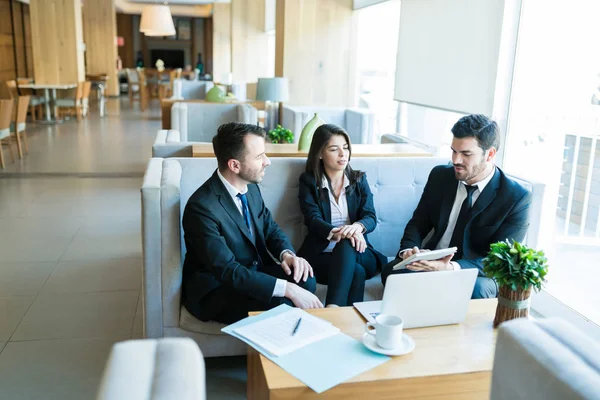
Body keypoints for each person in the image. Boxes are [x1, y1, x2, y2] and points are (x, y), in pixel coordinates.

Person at [182, 122, 323, 324]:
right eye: (259, 157)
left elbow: (269, 228)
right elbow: (228, 270)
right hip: (218, 288)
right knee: (284, 302)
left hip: (251, 269)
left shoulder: (251, 187)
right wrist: (287, 288)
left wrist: (287, 254)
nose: (267, 162)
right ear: (234, 165)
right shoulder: (202, 208)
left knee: (305, 279)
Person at [381, 114, 532, 299]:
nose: (456, 160)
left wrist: (450, 267)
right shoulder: (440, 176)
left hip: (475, 272)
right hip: (431, 260)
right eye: (454, 151)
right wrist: (409, 251)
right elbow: (418, 223)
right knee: (392, 273)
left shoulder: (516, 197)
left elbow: (499, 260)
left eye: (466, 154)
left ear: (490, 154)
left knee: (476, 290)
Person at [297, 124, 387, 307]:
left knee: (347, 244)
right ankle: (350, 322)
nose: (342, 154)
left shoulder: (359, 180)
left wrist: (355, 228)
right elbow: (312, 218)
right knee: (357, 272)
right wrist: (336, 232)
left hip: (360, 251)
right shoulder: (308, 182)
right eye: (334, 149)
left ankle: (331, 307)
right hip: (322, 255)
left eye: (345, 148)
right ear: (320, 154)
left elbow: (370, 216)